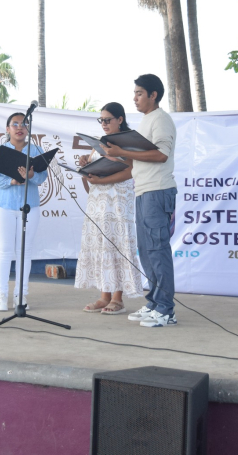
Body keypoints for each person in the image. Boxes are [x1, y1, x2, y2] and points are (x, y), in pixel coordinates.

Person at [103, 74, 178, 328]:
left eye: (139, 93)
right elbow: (137, 159)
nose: (134, 98)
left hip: (158, 191)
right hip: (143, 191)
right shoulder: (145, 121)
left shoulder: (161, 120)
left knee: (158, 250)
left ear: (153, 95)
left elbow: (161, 155)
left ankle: (167, 310)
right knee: (146, 251)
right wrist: (111, 157)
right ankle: (155, 303)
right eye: (134, 93)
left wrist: (122, 151)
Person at [74, 102, 143, 314]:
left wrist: (102, 180)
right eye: (101, 120)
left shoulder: (129, 141)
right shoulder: (99, 144)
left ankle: (118, 298)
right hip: (97, 204)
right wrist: (85, 166)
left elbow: (131, 170)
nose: (104, 124)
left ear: (120, 119)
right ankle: (104, 296)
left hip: (117, 203)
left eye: (108, 120)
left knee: (117, 245)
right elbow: (90, 181)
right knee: (101, 247)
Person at [0, 112, 48, 312]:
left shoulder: (36, 150)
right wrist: (9, 181)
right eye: (15, 124)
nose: (20, 127)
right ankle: (0, 295)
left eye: (23, 124)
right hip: (3, 206)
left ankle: (21, 295)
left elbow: (42, 176)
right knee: (4, 251)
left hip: (30, 207)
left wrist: (31, 175)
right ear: (7, 128)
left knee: (25, 252)